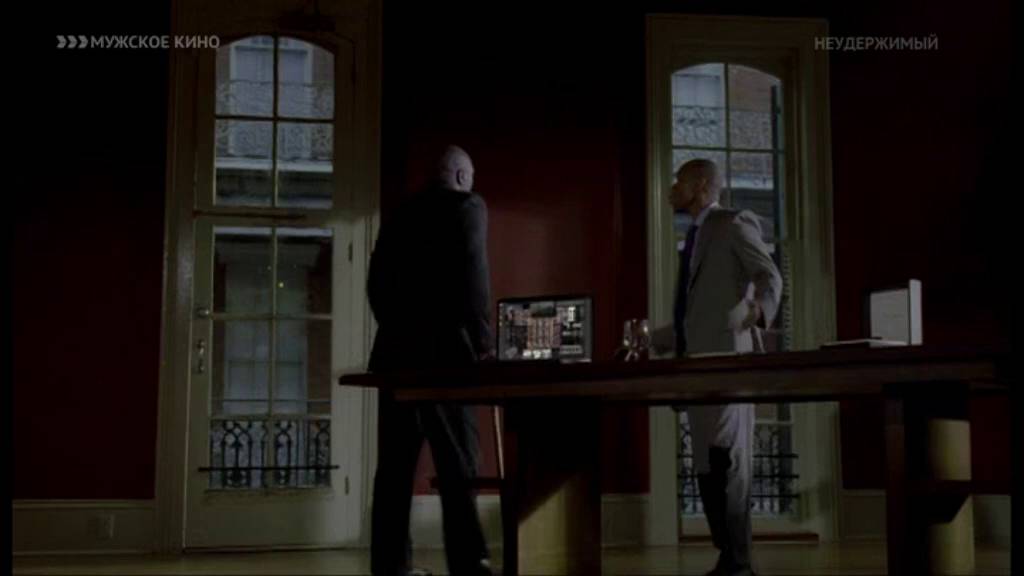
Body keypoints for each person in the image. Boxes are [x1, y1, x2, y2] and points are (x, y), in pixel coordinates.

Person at [367, 145, 493, 576]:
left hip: (395, 358)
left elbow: (376, 285)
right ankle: (468, 563)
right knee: (459, 464)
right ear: (460, 176)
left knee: (394, 468)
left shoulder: (399, 214)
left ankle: (391, 565)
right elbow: (474, 277)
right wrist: (483, 342)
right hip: (445, 360)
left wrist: (399, 328)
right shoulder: (467, 206)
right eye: (470, 177)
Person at [670, 158, 782, 576]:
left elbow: (770, 277)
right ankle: (729, 557)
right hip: (695, 370)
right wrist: (657, 339)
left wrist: (755, 311)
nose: (672, 188)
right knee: (706, 467)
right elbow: (694, 314)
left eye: (679, 181)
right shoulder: (694, 236)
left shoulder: (733, 223)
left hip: (729, 364)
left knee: (728, 465)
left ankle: (738, 562)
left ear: (701, 185)